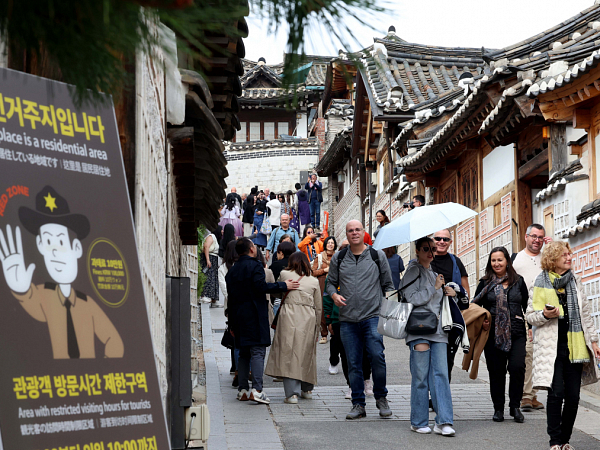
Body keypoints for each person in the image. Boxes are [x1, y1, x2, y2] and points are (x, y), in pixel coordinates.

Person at [0, 186, 123, 359]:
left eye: (60, 242)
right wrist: (21, 289)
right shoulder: (44, 295)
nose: (55, 251)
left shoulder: (87, 304)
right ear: (40, 246)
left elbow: (114, 341)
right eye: (48, 242)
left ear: (76, 248)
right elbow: (32, 301)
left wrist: (103, 370)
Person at [527, 241, 600, 450]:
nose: (569, 258)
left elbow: (585, 313)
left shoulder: (575, 280)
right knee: (556, 393)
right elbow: (530, 316)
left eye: (569, 254)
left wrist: (594, 341)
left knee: (574, 396)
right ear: (553, 259)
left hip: (575, 346)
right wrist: (545, 314)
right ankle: (555, 441)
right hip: (552, 348)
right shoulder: (539, 281)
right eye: (564, 255)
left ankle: (565, 440)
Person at [326, 220, 394, 420]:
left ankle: (381, 397)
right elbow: (330, 284)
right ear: (346, 235)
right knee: (353, 362)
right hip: (347, 319)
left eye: (357, 230)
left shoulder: (376, 255)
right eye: (350, 231)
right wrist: (334, 296)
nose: (354, 233)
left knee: (377, 356)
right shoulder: (339, 258)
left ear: (363, 232)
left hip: (372, 317)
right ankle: (358, 404)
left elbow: (388, 284)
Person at [226, 238, 300, 404]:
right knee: (258, 351)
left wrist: (231, 323)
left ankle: (243, 390)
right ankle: (257, 390)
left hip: (238, 316)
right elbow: (261, 287)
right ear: (252, 249)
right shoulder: (255, 266)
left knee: (244, 352)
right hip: (254, 315)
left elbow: (230, 299)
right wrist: (283, 285)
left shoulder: (232, 270)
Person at [402, 236, 456, 436]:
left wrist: (447, 292)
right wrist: (433, 288)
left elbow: (436, 302)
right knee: (421, 376)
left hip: (438, 330)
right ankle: (418, 421)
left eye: (433, 248)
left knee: (441, 375)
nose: (430, 252)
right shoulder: (412, 271)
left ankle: (443, 421)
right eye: (426, 248)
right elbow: (413, 299)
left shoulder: (434, 273)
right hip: (418, 330)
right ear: (417, 250)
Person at [472, 247, 528, 423]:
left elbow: (526, 305)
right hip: (492, 333)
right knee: (496, 372)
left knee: (517, 367)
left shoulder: (519, 281)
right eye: (493, 260)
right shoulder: (485, 282)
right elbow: (475, 307)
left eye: (500, 260)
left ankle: (515, 406)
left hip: (517, 331)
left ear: (507, 262)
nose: (496, 263)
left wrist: (532, 326)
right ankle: (498, 408)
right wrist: (484, 319)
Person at [265, 252, 322, 403]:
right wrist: (318, 328)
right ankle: (307, 389)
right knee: (307, 351)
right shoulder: (313, 280)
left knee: (288, 352)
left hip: (288, 315)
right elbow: (318, 307)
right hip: (308, 316)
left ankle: (292, 394)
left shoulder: (284, 274)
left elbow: (277, 292)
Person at [512, 224, 551, 412]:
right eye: (533, 236)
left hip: (546, 314)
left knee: (539, 355)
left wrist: (552, 250)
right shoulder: (517, 260)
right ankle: (525, 396)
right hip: (525, 313)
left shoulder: (547, 258)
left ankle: (533, 394)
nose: (537, 240)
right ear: (526, 237)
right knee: (528, 354)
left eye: (540, 237)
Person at [430, 228, 470, 380]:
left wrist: (456, 292)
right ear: (433, 240)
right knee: (430, 358)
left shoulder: (455, 261)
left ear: (450, 242)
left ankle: (441, 396)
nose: (441, 241)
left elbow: (466, 290)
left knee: (448, 358)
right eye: (438, 238)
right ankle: (430, 393)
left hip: (451, 316)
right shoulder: (426, 260)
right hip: (430, 315)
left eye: (445, 239)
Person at [219, 240, 239, 385]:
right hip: (237, 304)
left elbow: (224, 289)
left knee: (234, 332)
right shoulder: (226, 268)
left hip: (231, 305)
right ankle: (236, 366)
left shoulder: (223, 268)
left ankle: (235, 366)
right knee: (236, 334)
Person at [312, 236, 337, 345]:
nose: (330, 244)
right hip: (322, 282)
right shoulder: (320, 257)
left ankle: (334, 331)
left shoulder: (338, 256)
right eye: (328, 243)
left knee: (334, 306)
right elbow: (312, 272)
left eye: (332, 243)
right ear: (325, 244)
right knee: (322, 307)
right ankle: (323, 333)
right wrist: (324, 270)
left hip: (335, 282)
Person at [200, 226, 221, 307]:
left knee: (213, 277)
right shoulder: (211, 236)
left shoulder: (213, 237)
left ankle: (213, 298)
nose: (222, 231)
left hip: (213, 258)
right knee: (209, 276)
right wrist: (208, 259)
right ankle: (205, 295)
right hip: (210, 258)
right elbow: (206, 246)